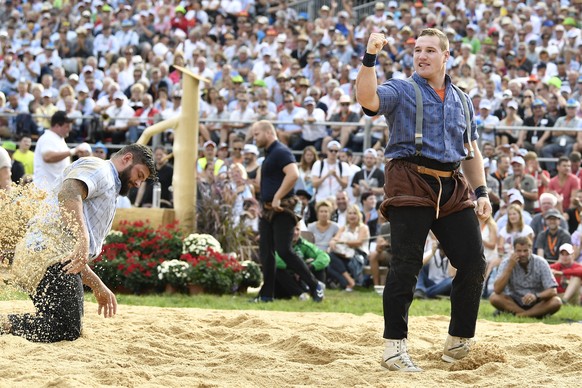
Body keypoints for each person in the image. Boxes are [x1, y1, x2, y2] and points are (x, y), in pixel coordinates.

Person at [356, 28, 491, 371]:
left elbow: (471, 150)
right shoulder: (402, 88)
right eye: (418, 50)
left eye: (431, 50)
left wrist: (482, 192)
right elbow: (367, 100)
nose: (422, 56)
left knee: (474, 261)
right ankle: (394, 348)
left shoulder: (462, 98)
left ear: (447, 56)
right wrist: (370, 57)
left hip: (451, 181)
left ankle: (458, 342)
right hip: (409, 177)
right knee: (406, 263)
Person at [0, 144, 156, 342]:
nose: (138, 184)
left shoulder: (108, 182)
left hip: (43, 254)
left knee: (59, 325)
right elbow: (68, 193)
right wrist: (83, 238)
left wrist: (98, 285)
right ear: (126, 159)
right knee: (66, 328)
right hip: (46, 254)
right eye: (140, 175)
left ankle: (5, 324)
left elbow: (71, 257)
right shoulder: (101, 169)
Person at [251, 120, 325, 303]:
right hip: (268, 209)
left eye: (256, 134)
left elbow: (293, 174)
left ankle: (315, 285)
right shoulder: (270, 154)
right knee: (266, 252)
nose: (254, 138)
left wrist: (277, 196)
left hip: (282, 208)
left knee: (284, 250)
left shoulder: (281, 151)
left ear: (269, 133)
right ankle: (266, 295)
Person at [489, 236, 562, 318]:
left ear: (531, 250)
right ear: (514, 251)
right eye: (519, 251)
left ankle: (521, 315)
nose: (522, 254)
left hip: (537, 302)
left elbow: (552, 291)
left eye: (525, 251)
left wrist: (536, 296)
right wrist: (510, 267)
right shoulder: (506, 262)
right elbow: (497, 290)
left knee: (556, 301)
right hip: (513, 302)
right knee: (494, 297)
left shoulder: (541, 262)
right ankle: (531, 314)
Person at [274, 224, 330, 300]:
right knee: (276, 269)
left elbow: (324, 257)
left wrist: (307, 268)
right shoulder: (277, 242)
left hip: (301, 278)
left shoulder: (304, 244)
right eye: (292, 229)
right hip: (284, 283)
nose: (295, 232)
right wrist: (297, 268)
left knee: (318, 265)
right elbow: (275, 259)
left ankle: (318, 290)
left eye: (297, 229)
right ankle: (300, 294)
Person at [33, 111, 82, 192]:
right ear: (57, 126)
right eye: (67, 126)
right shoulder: (47, 138)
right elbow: (47, 157)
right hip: (45, 191)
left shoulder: (59, 139)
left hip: (54, 190)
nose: (69, 129)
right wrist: (72, 152)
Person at [327, 204, 370, 291]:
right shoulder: (343, 228)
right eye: (350, 213)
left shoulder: (363, 228)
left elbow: (358, 242)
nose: (352, 216)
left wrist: (344, 242)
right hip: (345, 255)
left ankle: (347, 283)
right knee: (329, 261)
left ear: (358, 215)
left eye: (354, 213)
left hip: (358, 256)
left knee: (332, 260)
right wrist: (333, 241)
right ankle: (349, 282)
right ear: (347, 216)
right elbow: (336, 238)